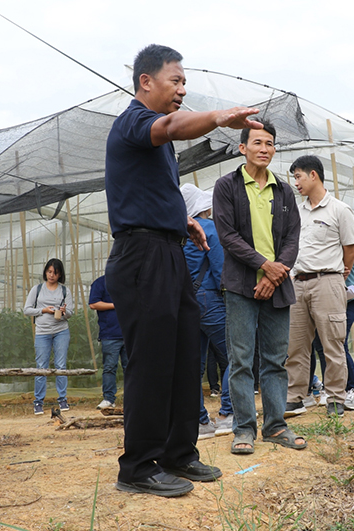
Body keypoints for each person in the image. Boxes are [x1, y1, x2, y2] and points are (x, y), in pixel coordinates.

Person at [104, 44, 261, 497]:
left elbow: (150, 190)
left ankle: (177, 453)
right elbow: (171, 125)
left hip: (168, 250)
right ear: (146, 82)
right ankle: (137, 466)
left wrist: (182, 219)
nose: (182, 89)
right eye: (175, 80)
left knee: (182, 355)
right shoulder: (134, 121)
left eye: (184, 81)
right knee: (152, 360)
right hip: (141, 257)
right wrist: (218, 116)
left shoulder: (157, 146)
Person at [213, 121, 305, 455]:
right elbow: (227, 236)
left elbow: (293, 236)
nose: (264, 148)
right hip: (241, 287)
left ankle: (276, 425)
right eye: (257, 143)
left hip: (277, 287)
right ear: (242, 148)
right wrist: (264, 266)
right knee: (240, 360)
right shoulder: (227, 186)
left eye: (269, 143)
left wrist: (275, 275)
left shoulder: (283, 190)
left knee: (275, 360)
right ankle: (244, 429)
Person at [284, 155, 354, 418]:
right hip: (298, 284)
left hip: (328, 281)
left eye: (298, 176)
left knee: (333, 344)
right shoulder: (295, 211)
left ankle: (336, 397)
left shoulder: (339, 210)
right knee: (296, 345)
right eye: (294, 177)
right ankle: (295, 397)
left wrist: (340, 274)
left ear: (313, 175)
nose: (296, 182)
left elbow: (350, 249)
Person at [180, 183, 234, 439]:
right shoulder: (210, 229)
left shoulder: (178, 233)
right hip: (210, 299)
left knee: (193, 363)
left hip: (186, 301)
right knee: (232, 356)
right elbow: (220, 269)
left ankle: (199, 421)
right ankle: (227, 414)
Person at [308, 247, 354, 411]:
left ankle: (351, 388)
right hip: (328, 299)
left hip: (348, 298)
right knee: (322, 344)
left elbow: (353, 263)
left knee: (338, 342)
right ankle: (331, 387)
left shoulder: (347, 246)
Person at [23, 259, 74, 415]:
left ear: (60, 274)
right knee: (41, 367)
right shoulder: (37, 289)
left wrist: (64, 312)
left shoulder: (65, 291)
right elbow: (27, 310)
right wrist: (43, 310)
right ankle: (38, 402)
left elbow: (70, 313)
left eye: (55, 272)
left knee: (60, 366)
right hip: (42, 332)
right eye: (49, 272)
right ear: (45, 272)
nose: (52, 275)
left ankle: (62, 399)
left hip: (61, 331)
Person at [88, 274, 128, 409]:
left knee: (131, 368)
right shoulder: (101, 283)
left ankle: (132, 399)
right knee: (110, 367)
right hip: (110, 334)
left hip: (130, 333)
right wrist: (116, 305)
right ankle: (109, 399)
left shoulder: (130, 281)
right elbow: (93, 304)